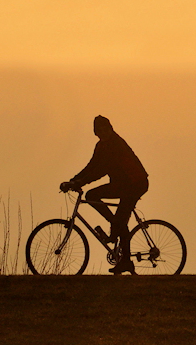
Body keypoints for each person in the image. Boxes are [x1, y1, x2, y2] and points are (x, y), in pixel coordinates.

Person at [60, 116, 149, 275]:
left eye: (105, 129)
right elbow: (92, 166)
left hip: (135, 184)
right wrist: (73, 181)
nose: (103, 133)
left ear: (111, 128)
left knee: (118, 219)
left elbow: (100, 171)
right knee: (93, 197)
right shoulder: (101, 146)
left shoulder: (115, 145)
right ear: (96, 133)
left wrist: (79, 183)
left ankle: (126, 259)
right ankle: (118, 236)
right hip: (122, 185)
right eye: (99, 131)